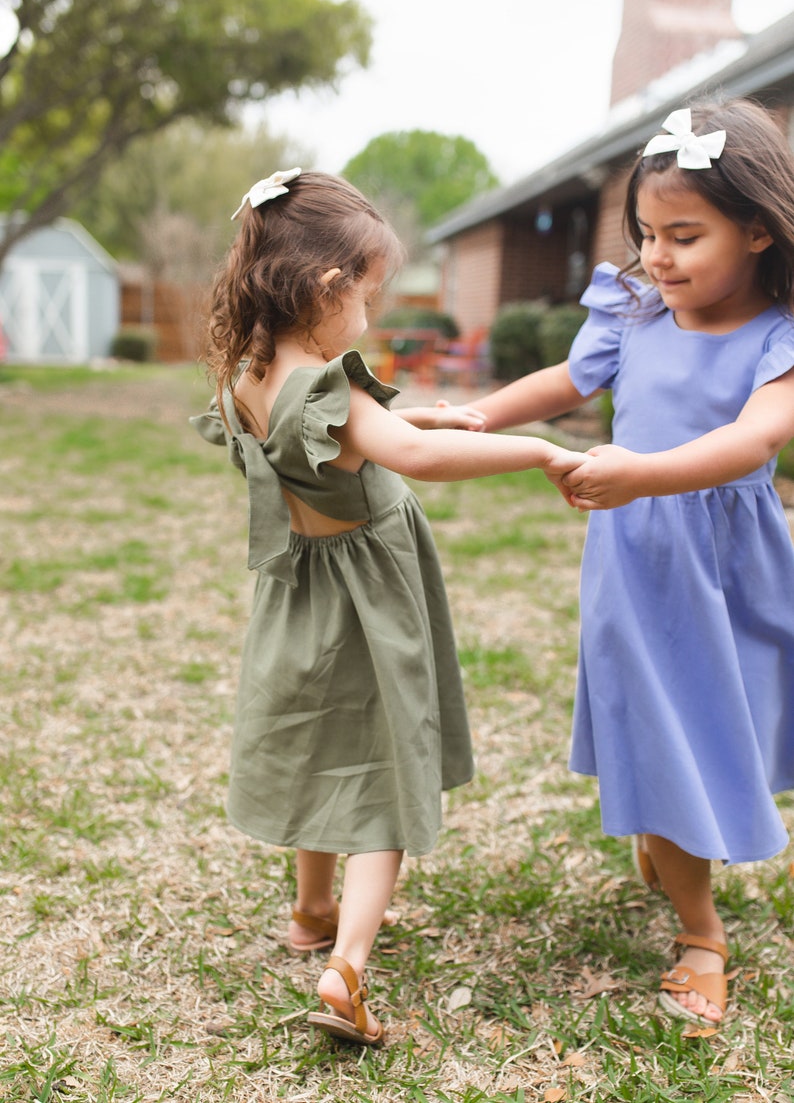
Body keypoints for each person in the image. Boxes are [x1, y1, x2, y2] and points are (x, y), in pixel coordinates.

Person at [190, 168, 585, 1046]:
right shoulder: (331, 388)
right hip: (370, 602)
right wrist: (538, 450)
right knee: (382, 784)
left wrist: (428, 418)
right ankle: (348, 967)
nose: (370, 314)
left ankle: (310, 910)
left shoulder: (245, 377)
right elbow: (406, 455)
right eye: (369, 295)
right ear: (328, 289)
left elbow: (368, 443)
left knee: (321, 749)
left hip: (300, 596)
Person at [461, 100, 794, 1026]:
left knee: (726, 722)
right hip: (639, 561)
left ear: (761, 229)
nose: (658, 256)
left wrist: (640, 472)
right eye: (647, 233)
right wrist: (478, 414)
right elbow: (568, 384)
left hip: (732, 565)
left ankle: (670, 828)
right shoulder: (635, 311)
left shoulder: (780, 334)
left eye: (685, 236)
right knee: (659, 721)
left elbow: (751, 439)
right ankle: (701, 929)